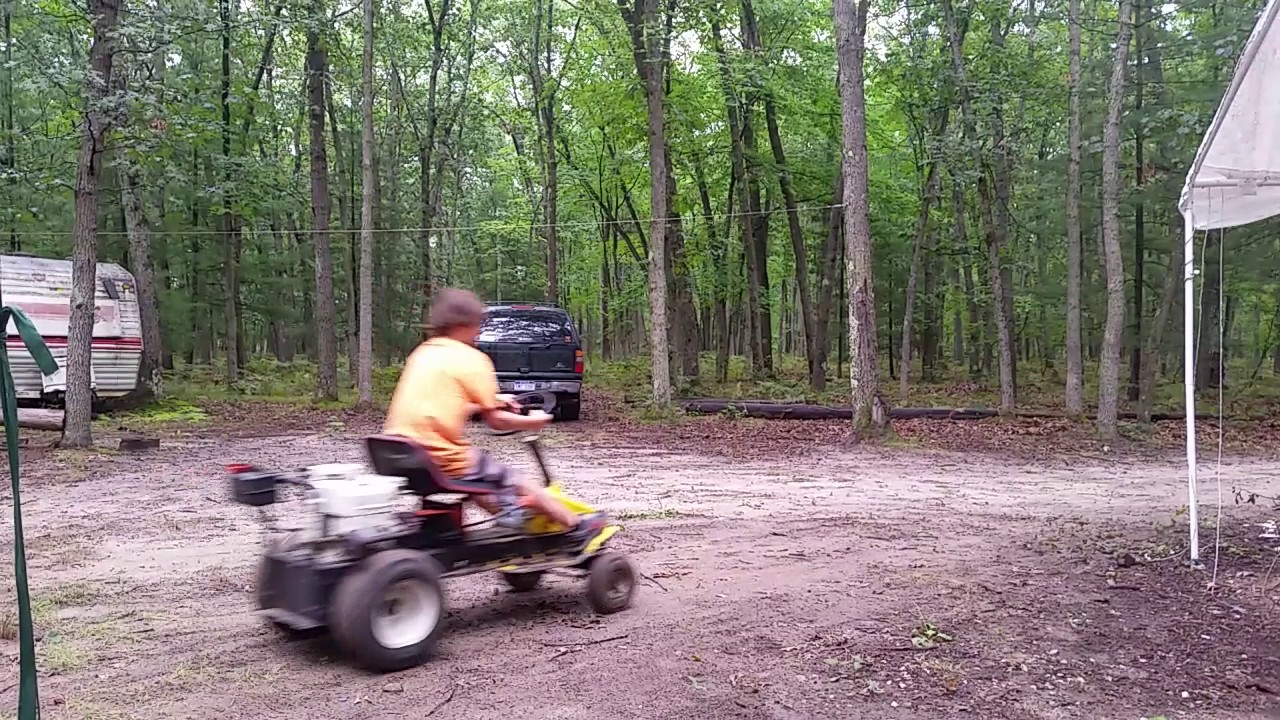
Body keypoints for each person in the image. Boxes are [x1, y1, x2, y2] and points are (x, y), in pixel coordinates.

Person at [383, 288, 589, 542]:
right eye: (479, 323)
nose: (480, 330)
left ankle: (515, 528)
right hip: (438, 456)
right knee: (516, 480)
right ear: (465, 323)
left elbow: (445, 402)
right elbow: (498, 422)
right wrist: (537, 420)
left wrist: (492, 401)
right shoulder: (472, 359)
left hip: (398, 452)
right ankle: (576, 526)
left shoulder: (423, 352)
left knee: (478, 479)